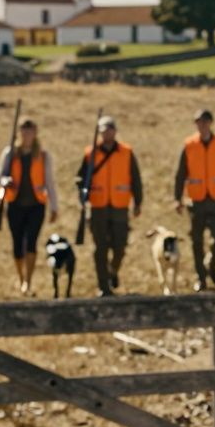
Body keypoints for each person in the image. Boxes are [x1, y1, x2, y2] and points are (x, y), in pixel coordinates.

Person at [173, 109, 215, 291]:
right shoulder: (189, 145)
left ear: (210, 123)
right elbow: (181, 174)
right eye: (198, 122)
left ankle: (211, 264)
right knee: (196, 240)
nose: (201, 125)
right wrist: (177, 198)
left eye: (204, 121)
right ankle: (201, 277)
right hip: (196, 200)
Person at [77, 115, 142, 296]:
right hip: (98, 207)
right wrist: (82, 192)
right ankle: (103, 286)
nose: (107, 134)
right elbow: (80, 178)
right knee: (100, 248)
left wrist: (138, 202)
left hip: (120, 206)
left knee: (120, 246)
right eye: (103, 131)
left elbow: (135, 178)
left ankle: (112, 270)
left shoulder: (126, 152)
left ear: (115, 131)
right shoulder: (90, 153)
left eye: (109, 130)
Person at [0, 119, 59, 296]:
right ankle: (20, 277)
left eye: (30, 131)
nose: (26, 135)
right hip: (14, 205)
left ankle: (28, 281)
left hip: (36, 206)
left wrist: (54, 206)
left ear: (35, 133)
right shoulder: (10, 153)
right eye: (23, 131)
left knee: (31, 242)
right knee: (17, 243)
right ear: (19, 133)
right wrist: (3, 181)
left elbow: (50, 182)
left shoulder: (43, 155)